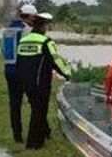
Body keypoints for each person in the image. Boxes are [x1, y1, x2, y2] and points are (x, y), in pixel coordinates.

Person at [16, 12, 71, 150]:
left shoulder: (23, 41)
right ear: (44, 26)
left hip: (26, 83)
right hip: (41, 84)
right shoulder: (46, 42)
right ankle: (34, 144)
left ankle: (36, 141)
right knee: (40, 112)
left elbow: (19, 63)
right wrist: (67, 74)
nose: (48, 27)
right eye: (47, 25)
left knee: (36, 110)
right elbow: (56, 61)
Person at [2, 3, 36, 143]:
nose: (34, 20)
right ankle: (42, 132)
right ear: (28, 17)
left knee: (15, 104)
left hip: (9, 70)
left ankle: (17, 136)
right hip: (23, 70)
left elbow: (3, 49)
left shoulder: (7, 29)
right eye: (33, 17)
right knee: (35, 102)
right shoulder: (26, 30)